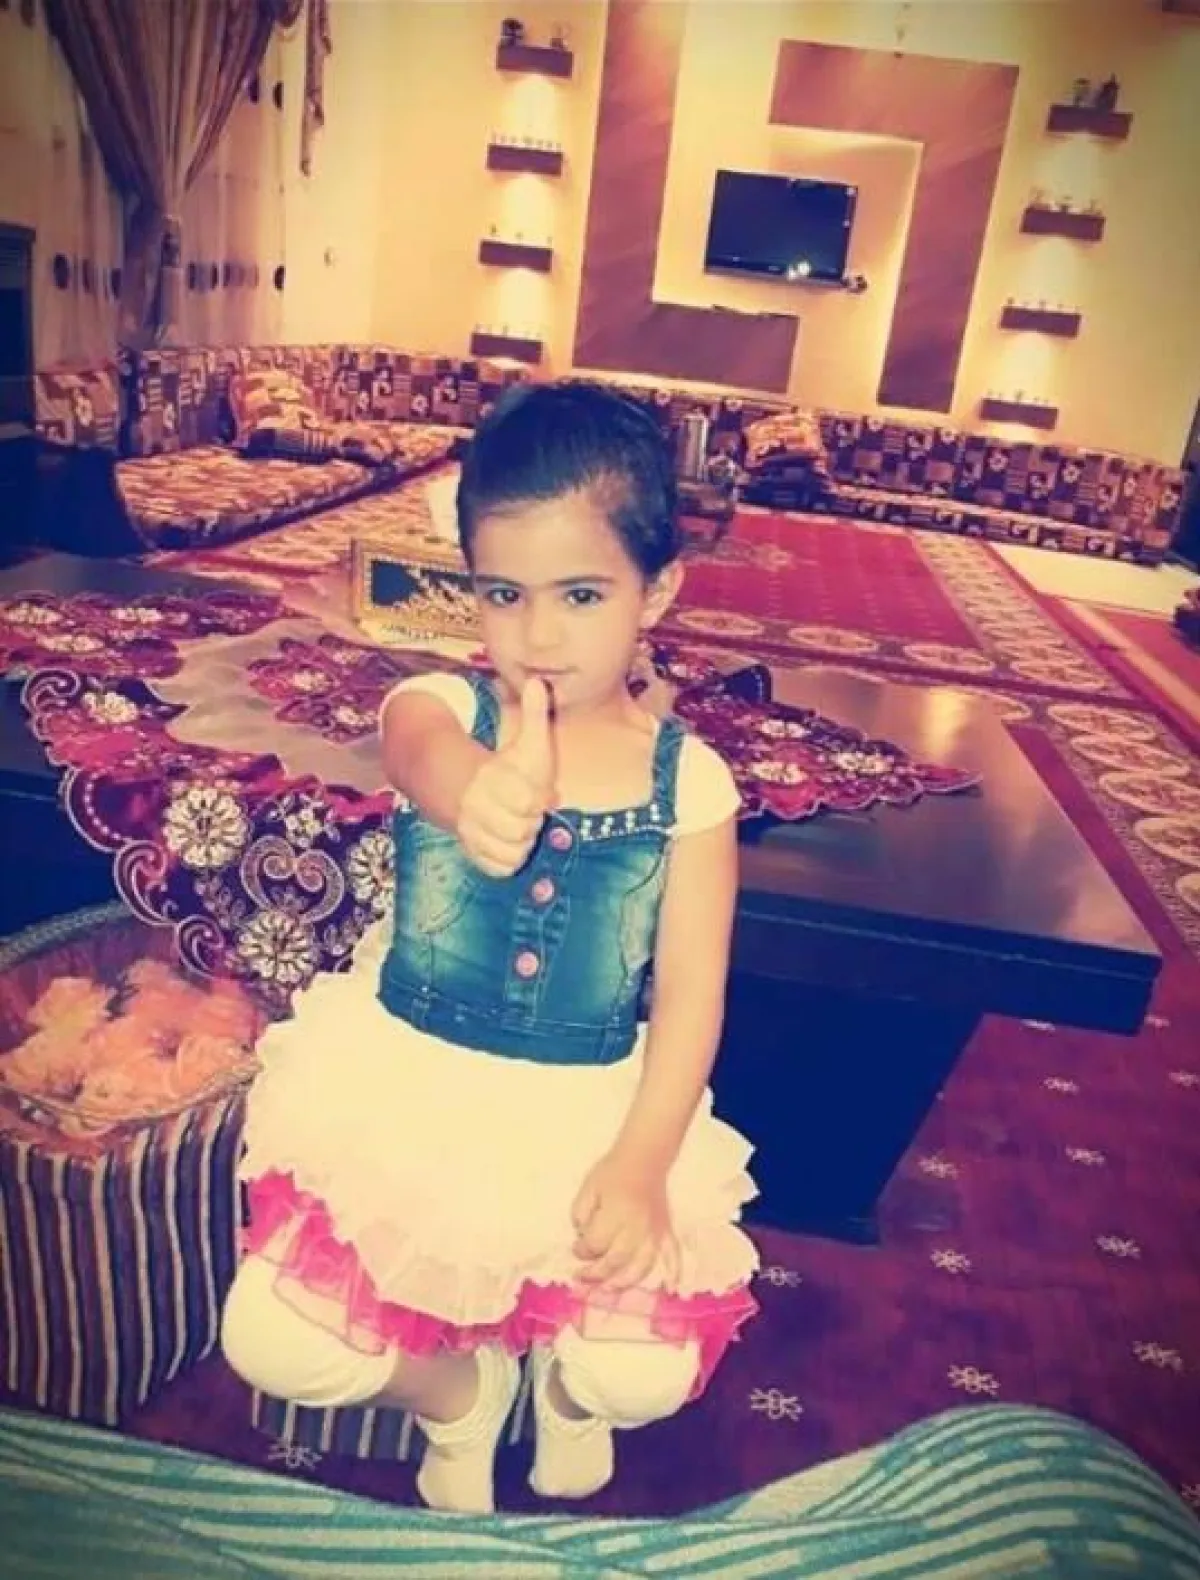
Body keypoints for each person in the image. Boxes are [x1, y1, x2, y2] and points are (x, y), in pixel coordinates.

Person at [220, 380, 760, 1515]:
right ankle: (462, 1395)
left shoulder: (694, 783)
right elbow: (420, 753)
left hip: (589, 1114)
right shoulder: (437, 707)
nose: (540, 635)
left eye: (582, 594)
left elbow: (691, 997)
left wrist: (641, 1164)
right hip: (411, 1093)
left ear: (658, 589)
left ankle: (565, 1391)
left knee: (641, 1374)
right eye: (504, 593)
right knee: (271, 1341)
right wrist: (477, 792)